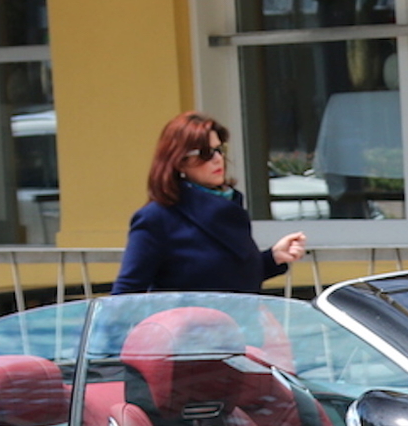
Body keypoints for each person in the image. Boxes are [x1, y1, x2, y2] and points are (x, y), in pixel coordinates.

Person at [110, 112, 309, 296]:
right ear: (179, 162)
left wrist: (274, 257)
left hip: (239, 327)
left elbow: (230, 277)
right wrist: (111, 334)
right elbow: (127, 291)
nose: (217, 159)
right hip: (187, 331)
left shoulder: (230, 208)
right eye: (205, 153)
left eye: (219, 150)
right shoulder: (157, 218)